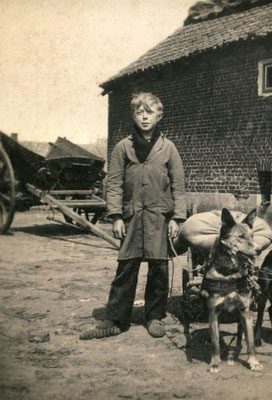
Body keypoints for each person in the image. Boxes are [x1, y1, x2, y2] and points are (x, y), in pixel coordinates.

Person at [80, 92, 187, 340]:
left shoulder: (168, 149)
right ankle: (115, 319)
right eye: (139, 112)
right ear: (133, 116)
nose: (144, 117)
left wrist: (176, 218)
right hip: (130, 218)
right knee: (126, 267)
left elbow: (178, 186)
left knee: (159, 268)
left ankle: (155, 316)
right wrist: (116, 216)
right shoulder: (123, 147)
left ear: (159, 116)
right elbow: (114, 184)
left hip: (159, 218)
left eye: (149, 112)